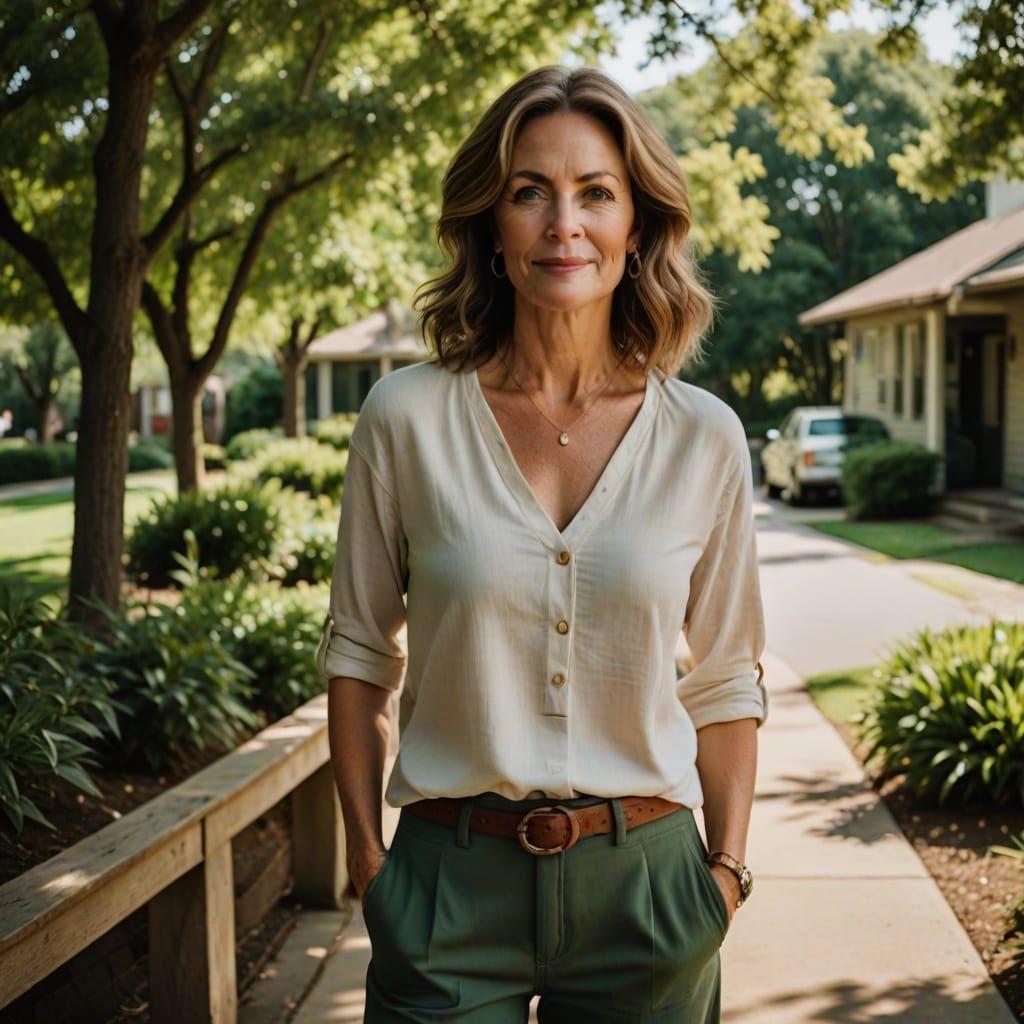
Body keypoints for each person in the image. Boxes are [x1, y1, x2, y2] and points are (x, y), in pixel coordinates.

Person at [318, 64, 769, 1023]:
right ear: (490, 223)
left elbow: (727, 676)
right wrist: (370, 865)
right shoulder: (404, 419)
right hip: (445, 889)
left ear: (636, 224)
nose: (564, 223)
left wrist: (723, 875)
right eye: (530, 192)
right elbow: (359, 651)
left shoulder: (704, 437)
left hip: (646, 893)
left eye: (595, 193)